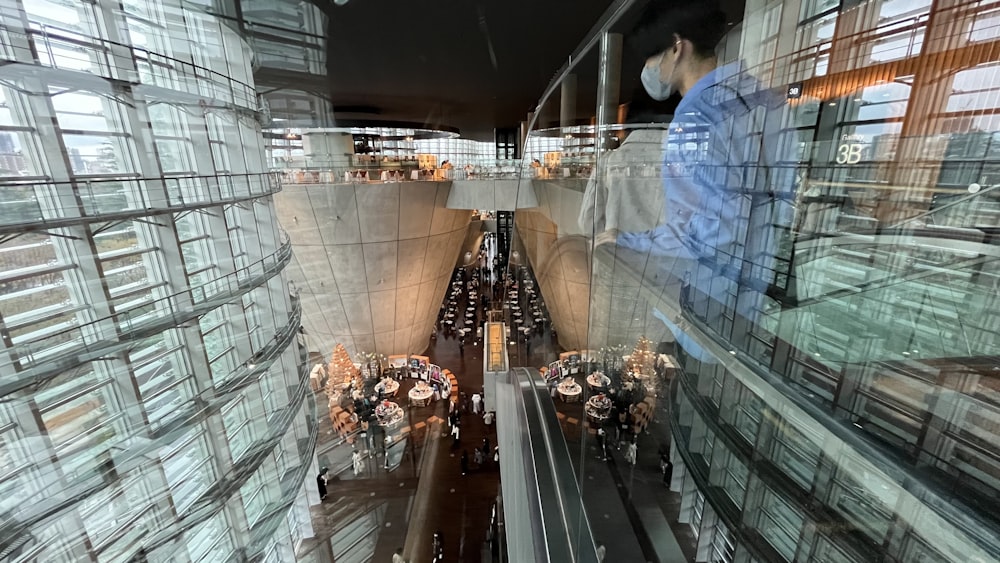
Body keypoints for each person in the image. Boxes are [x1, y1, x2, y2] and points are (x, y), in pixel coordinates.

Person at [597, 2, 794, 361]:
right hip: (756, 298)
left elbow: (705, 232)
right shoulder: (764, 101)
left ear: (676, 47)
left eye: (651, 57)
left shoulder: (695, 119)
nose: (649, 70)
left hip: (712, 304)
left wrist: (626, 241)